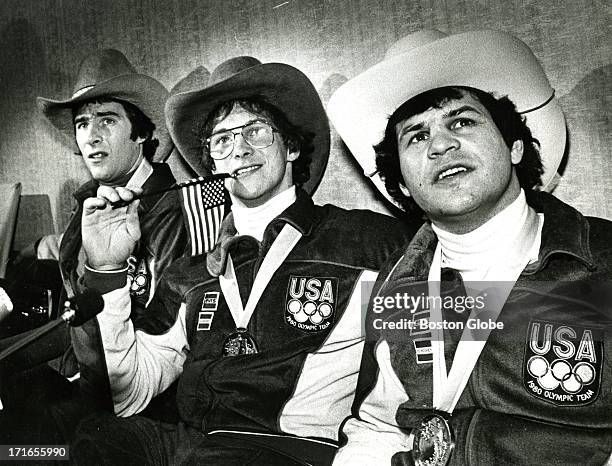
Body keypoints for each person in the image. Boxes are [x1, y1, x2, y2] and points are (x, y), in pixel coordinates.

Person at [68, 56, 418, 465]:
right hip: (195, 447)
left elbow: (431, 364)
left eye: (256, 132)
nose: (240, 149)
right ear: (212, 164)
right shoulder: (190, 274)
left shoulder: (370, 241)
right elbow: (129, 395)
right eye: (222, 140)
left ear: (290, 147)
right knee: (89, 438)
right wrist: (107, 270)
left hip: (293, 452)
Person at [327, 30, 612, 465]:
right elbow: (378, 428)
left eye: (461, 121)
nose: (441, 144)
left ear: (515, 146)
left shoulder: (603, 262)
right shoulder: (395, 286)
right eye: (416, 136)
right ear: (403, 181)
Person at [0, 48, 188, 442]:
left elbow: (149, 339)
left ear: (141, 132)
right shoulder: (93, 198)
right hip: (74, 368)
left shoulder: (172, 211)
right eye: (82, 123)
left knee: (14, 444)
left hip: (131, 401)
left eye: (107, 120)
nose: (91, 135)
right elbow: (70, 270)